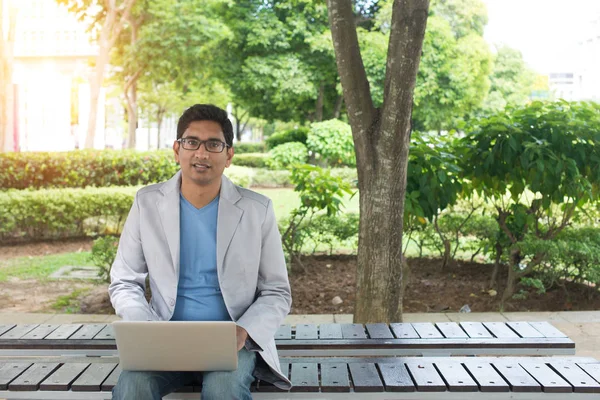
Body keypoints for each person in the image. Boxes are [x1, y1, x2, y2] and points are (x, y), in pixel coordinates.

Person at [109, 104, 292, 399]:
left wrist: (244, 331)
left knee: (223, 389)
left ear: (229, 155)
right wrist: (145, 327)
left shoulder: (257, 210)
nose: (201, 153)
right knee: (133, 387)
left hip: (232, 342)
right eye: (192, 142)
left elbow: (277, 291)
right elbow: (124, 280)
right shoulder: (147, 204)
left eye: (214, 144)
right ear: (176, 149)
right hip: (163, 338)